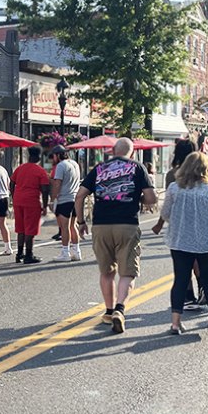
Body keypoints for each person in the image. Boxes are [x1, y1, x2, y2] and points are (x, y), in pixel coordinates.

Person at [74, 138, 157, 333]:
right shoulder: (137, 167)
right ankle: (120, 309)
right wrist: (137, 196)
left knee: (106, 271)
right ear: (133, 152)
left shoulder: (100, 168)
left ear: (112, 150)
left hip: (101, 225)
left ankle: (109, 311)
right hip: (126, 224)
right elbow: (151, 199)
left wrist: (80, 222)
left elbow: (80, 196)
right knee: (127, 272)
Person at [157, 152, 208, 334]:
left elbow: (165, 213)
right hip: (205, 242)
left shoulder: (174, 188)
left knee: (180, 280)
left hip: (179, 241)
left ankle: (175, 322)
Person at [10, 146, 51, 264]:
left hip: (18, 200)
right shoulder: (40, 171)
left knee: (20, 228)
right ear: (38, 157)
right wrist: (45, 205)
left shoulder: (20, 168)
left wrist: (14, 196)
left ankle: (19, 254)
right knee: (30, 229)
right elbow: (44, 190)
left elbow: (12, 183)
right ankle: (29, 254)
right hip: (32, 201)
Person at [49, 145, 82, 262]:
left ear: (58, 155)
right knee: (73, 225)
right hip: (75, 198)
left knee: (64, 227)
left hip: (64, 199)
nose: (53, 159)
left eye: (53, 156)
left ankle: (65, 252)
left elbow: (57, 183)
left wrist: (52, 199)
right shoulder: (75, 164)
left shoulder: (61, 166)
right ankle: (77, 251)